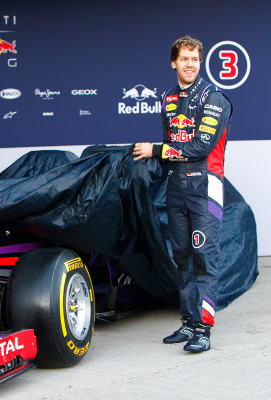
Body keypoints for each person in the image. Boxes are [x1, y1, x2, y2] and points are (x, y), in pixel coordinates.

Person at [132, 36, 232, 352]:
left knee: (204, 258)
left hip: (205, 189)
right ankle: (189, 323)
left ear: (200, 63)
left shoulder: (214, 98)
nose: (190, 64)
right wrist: (162, 152)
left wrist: (156, 150)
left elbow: (199, 147)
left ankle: (204, 329)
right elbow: (174, 146)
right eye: (184, 59)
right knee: (183, 258)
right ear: (173, 62)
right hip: (176, 188)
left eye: (195, 59)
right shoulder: (169, 99)